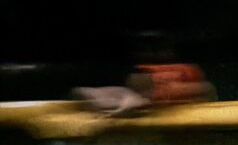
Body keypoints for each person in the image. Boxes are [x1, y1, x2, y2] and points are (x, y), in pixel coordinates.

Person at [74, 32, 216, 116]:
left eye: (158, 48)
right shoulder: (119, 88)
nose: (152, 53)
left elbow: (209, 91)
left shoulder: (190, 76)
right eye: (147, 49)